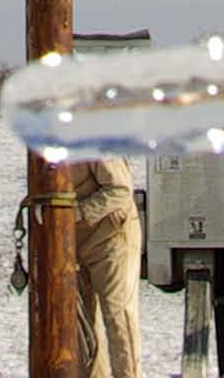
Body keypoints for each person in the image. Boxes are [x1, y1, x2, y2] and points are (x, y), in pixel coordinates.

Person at [70, 155, 141, 378]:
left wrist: (78, 212)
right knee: (82, 326)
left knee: (118, 316)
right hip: (73, 244)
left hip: (112, 238)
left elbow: (120, 190)